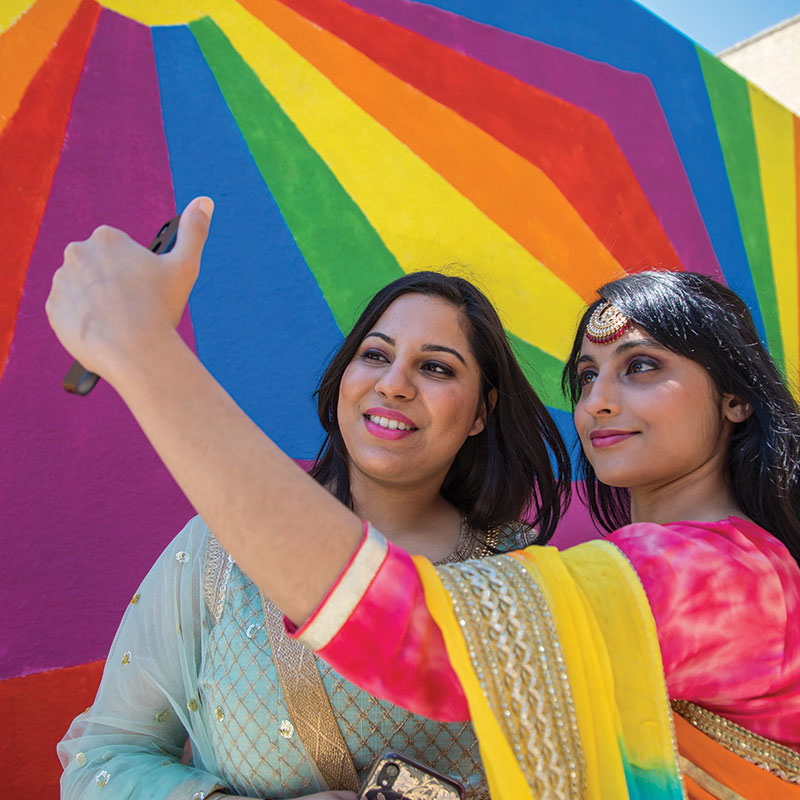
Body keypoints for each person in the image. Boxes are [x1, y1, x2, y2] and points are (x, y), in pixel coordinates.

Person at [46, 199, 800, 798]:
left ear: (736, 398)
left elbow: (421, 636)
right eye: (586, 377)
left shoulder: (711, 582)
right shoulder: (215, 550)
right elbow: (104, 753)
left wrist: (144, 350)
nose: (600, 402)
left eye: (641, 367)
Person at [54, 204, 571, 800]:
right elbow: (103, 759)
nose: (394, 384)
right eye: (375, 355)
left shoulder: (521, 579)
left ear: (481, 412)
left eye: (434, 367)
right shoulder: (221, 546)